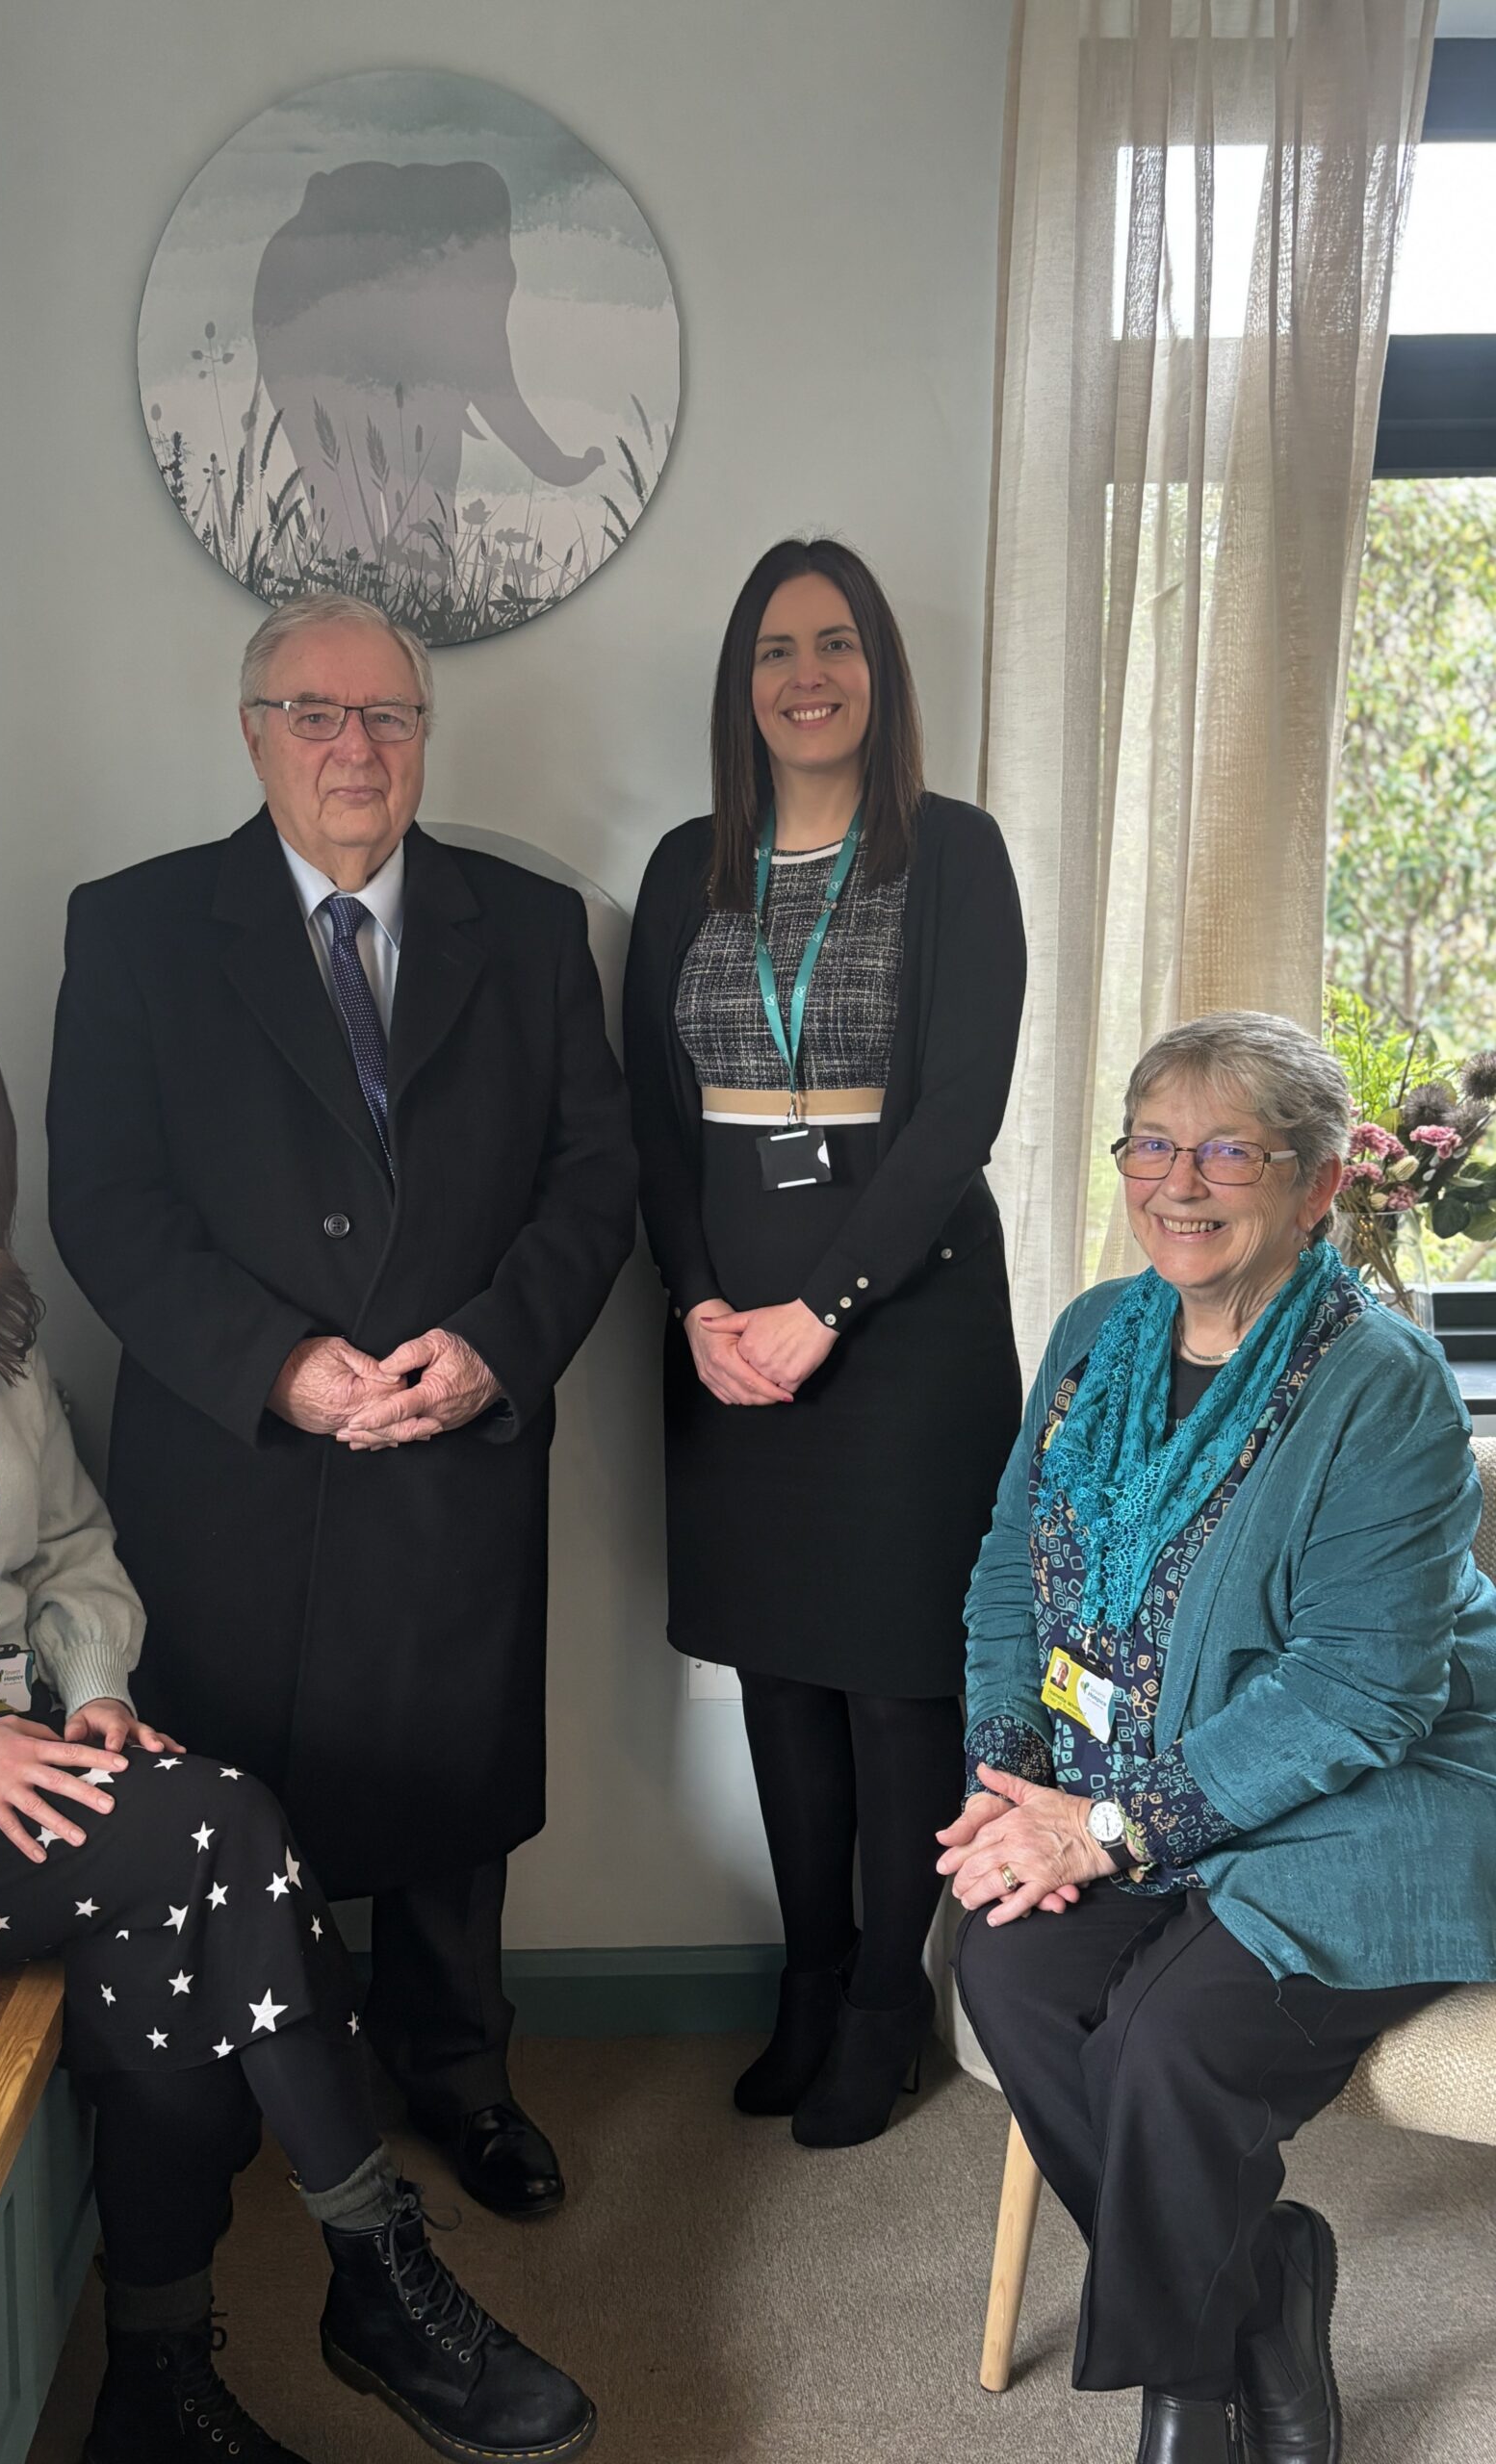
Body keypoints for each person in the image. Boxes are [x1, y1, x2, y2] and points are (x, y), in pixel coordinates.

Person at [0, 962, 597, 2464]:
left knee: (162, 1945)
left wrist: (90, 1694)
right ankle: (378, 2271)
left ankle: (156, 2387)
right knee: (223, 1827)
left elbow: (75, 1553)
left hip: (13, 1750)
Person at [46, 596, 636, 2220]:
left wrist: (498, 1348)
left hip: (457, 1436)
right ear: (253, 733)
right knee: (233, 1802)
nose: (353, 748)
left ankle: (463, 2075)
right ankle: (236, 2108)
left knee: (451, 1803)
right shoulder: (140, 927)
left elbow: (596, 1180)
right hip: (235, 1457)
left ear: (424, 739)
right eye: (314, 714)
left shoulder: (527, 930)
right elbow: (105, 1203)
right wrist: (281, 1368)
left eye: (385, 717)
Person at [942, 1011, 1496, 2464]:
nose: (1179, 1182)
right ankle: (1262, 2290)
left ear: (1317, 1187)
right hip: (1130, 1774)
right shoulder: (1091, 1337)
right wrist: (1014, 1781)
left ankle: (1186, 2396)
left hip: (1385, 1778)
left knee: (1164, 2042)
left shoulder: (1384, 1384)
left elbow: (1363, 1696)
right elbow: (1014, 1562)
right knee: (1003, 1961)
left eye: (1229, 1150)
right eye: (1152, 1143)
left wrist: (1108, 1828)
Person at [623, 537, 1026, 2145]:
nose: (809, 674)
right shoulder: (682, 869)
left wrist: (822, 1309)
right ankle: (806, 1978)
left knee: (895, 1685)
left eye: (838, 643)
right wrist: (703, 1304)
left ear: (880, 674)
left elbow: (957, 1119)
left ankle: (884, 2005)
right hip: (729, 1334)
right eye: (778, 648)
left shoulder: (952, 856)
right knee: (781, 1675)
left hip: (903, 1325)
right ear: (742, 686)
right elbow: (652, 1124)